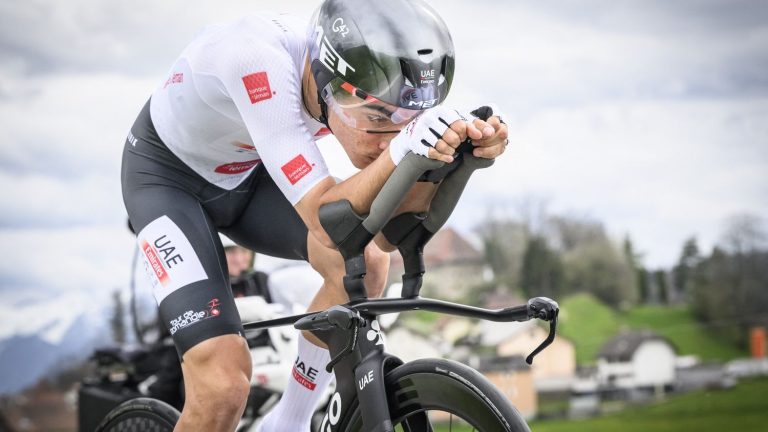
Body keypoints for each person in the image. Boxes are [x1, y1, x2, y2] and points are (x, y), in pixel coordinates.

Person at [120, 0, 509, 430]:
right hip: (166, 182)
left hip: (248, 173)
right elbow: (328, 224)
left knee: (366, 264)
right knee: (222, 386)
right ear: (328, 84)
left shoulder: (350, 83)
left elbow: (386, 235)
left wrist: (454, 160)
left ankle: (289, 422)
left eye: (406, 121)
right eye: (378, 118)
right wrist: (405, 147)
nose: (387, 138)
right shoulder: (257, 60)